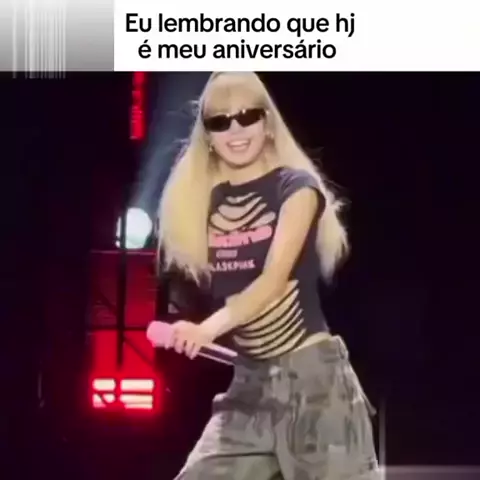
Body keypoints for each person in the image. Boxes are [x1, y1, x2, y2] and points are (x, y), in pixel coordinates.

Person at [155, 72, 379, 480]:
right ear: (207, 135)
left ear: (267, 123)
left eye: (248, 116)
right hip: (248, 388)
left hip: (315, 386)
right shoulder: (202, 202)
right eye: (220, 121)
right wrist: (187, 325)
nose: (235, 130)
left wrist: (207, 329)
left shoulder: (297, 189)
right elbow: (224, 289)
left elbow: (274, 281)